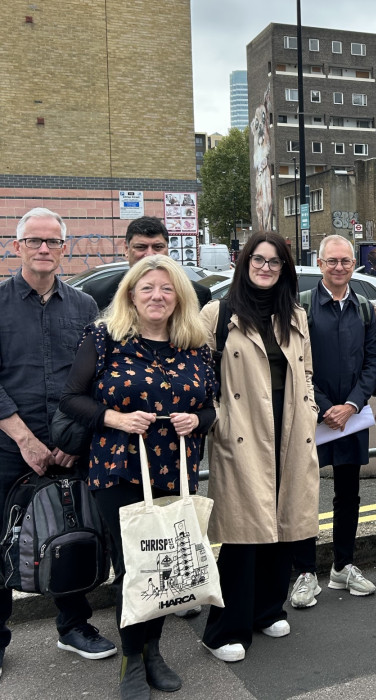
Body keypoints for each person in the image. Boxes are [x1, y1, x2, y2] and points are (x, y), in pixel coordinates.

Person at [60, 254, 216, 699]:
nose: (157, 296)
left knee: (165, 566)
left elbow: (210, 407)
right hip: (119, 468)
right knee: (135, 567)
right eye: (147, 288)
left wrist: (197, 420)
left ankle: (153, 652)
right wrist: (114, 417)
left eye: (166, 289)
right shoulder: (104, 337)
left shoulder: (194, 343)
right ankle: (132, 659)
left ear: (179, 297)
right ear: (131, 294)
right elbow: (71, 399)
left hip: (176, 469)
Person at [0, 208, 116, 680]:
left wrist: (75, 437)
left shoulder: (85, 307)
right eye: (34, 241)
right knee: (1, 541)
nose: (43, 248)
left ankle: (74, 627)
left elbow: (93, 380)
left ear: (65, 249)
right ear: (17, 246)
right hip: (9, 447)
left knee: (72, 534)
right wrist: (25, 438)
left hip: (69, 448)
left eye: (52, 241)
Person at [198, 233, 319, 658]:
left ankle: (267, 609)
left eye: (275, 262)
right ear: (245, 262)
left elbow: (305, 368)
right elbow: (200, 374)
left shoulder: (295, 314)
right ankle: (225, 630)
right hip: (243, 428)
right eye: (258, 259)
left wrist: (310, 405)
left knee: (283, 524)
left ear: (284, 268)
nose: (266, 267)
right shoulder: (220, 311)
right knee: (243, 533)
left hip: (290, 426)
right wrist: (219, 419)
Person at [290, 235, 376, 607]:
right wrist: (327, 406)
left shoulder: (364, 308)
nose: (339, 267)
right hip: (313, 416)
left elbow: (373, 363)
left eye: (345, 261)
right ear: (321, 263)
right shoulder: (303, 307)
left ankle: (343, 566)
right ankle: (305, 572)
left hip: (351, 418)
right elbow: (298, 365)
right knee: (305, 494)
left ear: (352, 265)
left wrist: (352, 405)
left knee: (349, 494)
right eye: (332, 261)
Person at [82, 216, 212, 311]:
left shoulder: (198, 294)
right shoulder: (96, 293)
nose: (150, 254)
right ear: (126, 250)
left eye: (158, 247)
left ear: (168, 250)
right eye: (141, 247)